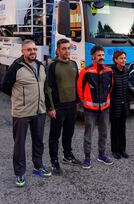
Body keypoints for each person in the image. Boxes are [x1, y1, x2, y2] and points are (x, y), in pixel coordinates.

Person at [2, 39, 51, 188]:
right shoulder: (16, 67)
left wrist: (48, 106)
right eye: (29, 49)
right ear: (22, 51)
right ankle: (19, 172)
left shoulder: (40, 66)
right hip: (22, 112)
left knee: (38, 141)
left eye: (34, 49)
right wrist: (17, 99)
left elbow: (45, 87)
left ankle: (38, 166)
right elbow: (5, 86)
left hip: (39, 111)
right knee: (19, 144)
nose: (32, 52)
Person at [45, 38, 81, 176]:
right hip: (58, 107)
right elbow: (48, 88)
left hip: (71, 106)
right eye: (64, 48)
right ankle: (54, 161)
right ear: (58, 50)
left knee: (69, 133)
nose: (67, 51)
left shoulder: (73, 64)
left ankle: (67, 155)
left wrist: (77, 102)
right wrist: (51, 108)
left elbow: (76, 84)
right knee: (55, 136)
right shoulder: (52, 66)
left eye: (68, 48)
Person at [77, 45, 114, 169]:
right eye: (99, 55)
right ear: (93, 57)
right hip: (90, 110)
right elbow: (79, 89)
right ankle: (87, 157)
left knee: (103, 132)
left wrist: (106, 101)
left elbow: (111, 87)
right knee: (88, 133)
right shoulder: (85, 72)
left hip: (105, 108)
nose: (101, 57)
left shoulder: (109, 71)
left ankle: (101, 155)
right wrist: (85, 102)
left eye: (103, 55)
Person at [110, 50, 134, 159]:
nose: (123, 60)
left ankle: (122, 149)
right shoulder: (110, 72)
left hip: (124, 105)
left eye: (124, 58)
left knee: (123, 128)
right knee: (115, 129)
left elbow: (127, 87)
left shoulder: (126, 70)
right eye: (121, 58)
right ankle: (115, 150)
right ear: (115, 60)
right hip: (114, 105)